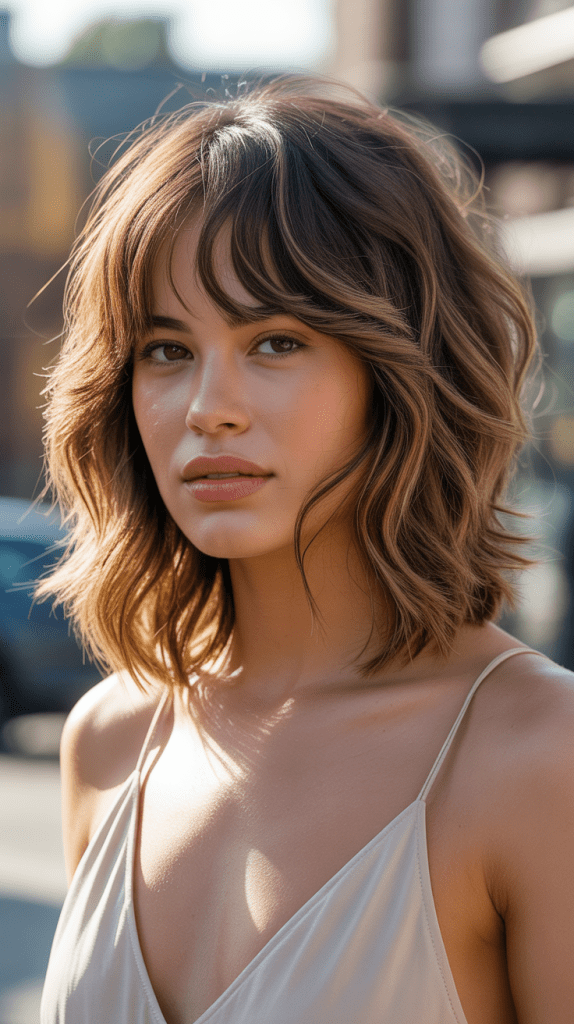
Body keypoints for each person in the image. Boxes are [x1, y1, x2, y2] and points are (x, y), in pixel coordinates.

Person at [38, 75, 574, 1024]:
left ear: (403, 371)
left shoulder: (538, 758)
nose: (209, 408)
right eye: (166, 349)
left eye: (277, 341)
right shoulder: (111, 740)